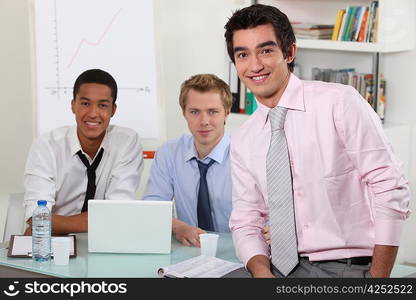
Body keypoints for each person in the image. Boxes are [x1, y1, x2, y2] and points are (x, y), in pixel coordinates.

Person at [225, 4, 410, 278]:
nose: (255, 66)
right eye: (243, 54)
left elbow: (389, 185)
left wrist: (378, 280)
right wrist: (263, 275)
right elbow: (246, 221)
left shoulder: (339, 103)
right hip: (274, 266)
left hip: (343, 266)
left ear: (289, 53)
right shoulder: (244, 138)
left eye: (266, 50)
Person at [24, 69, 144, 235]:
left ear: (113, 110)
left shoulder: (127, 142)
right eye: (85, 103)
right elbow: (36, 217)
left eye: (102, 105)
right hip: (53, 242)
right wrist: (98, 221)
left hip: (104, 240)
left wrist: (56, 223)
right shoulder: (47, 146)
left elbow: (118, 211)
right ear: (73, 105)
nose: (93, 114)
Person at [143, 74, 232, 247]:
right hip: (189, 249)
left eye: (213, 112)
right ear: (184, 113)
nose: (204, 121)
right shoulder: (169, 153)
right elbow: (152, 207)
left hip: (237, 250)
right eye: (194, 112)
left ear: (226, 113)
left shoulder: (246, 155)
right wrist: (177, 227)